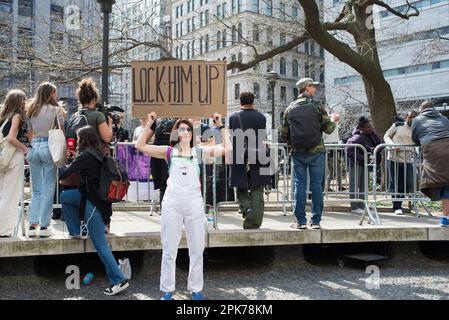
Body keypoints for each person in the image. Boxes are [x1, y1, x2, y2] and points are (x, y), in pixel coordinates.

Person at [136, 112, 231, 301]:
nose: (186, 132)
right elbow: (140, 145)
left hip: (194, 202)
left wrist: (220, 126)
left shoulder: (199, 151)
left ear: (192, 133)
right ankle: (167, 290)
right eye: (182, 129)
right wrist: (150, 124)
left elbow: (227, 148)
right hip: (172, 202)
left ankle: (196, 289)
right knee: (169, 248)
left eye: (188, 129)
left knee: (197, 248)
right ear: (176, 133)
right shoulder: (168, 151)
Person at [59, 126, 130, 295]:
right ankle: (76, 231)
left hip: (93, 204)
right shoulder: (99, 153)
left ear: (83, 140)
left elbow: (64, 174)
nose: (76, 141)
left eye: (77, 138)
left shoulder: (85, 156)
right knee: (66, 198)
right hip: (97, 200)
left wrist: (57, 163)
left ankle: (119, 280)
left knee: (100, 245)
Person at [281, 78, 338, 230]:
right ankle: (316, 221)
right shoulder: (317, 106)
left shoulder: (290, 108)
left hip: (298, 153)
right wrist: (333, 120)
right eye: (313, 86)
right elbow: (329, 129)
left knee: (299, 185)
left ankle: (300, 221)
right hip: (316, 151)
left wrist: (292, 144)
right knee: (317, 186)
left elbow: (284, 132)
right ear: (306, 87)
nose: (315, 89)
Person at [26, 82, 65, 237]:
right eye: (55, 92)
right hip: (49, 147)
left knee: (36, 190)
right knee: (48, 188)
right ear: (51, 93)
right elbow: (62, 129)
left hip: (33, 147)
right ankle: (43, 227)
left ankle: (31, 225)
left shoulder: (30, 109)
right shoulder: (56, 110)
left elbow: (29, 132)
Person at [229, 92, 270, 229]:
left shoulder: (233, 117)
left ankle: (246, 208)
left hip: (239, 154)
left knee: (240, 185)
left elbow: (232, 136)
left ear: (240, 102)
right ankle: (255, 223)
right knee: (257, 188)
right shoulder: (261, 117)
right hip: (257, 155)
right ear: (253, 102)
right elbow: (262, 137)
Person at [411, 101, 449, 227]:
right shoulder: (444, 118)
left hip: (432, 150)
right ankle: (445, 216)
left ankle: (444, 217)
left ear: (421, 110)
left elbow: (414, 138)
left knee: (435, 181)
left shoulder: (417, 120)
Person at [0, 90, 28, 237]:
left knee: (3, 193)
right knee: (10, 195)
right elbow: (11, 138)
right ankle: (4, 229)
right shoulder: (16, 116)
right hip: (12, 157)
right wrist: (25, 149)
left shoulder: (2, 116)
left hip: (2, 158)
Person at [347, 116, 384, 214]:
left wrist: (374, 150)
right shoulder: (357, 137)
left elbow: (381, 144)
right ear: (362, 128)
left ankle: (363, 205)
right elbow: (348, 150)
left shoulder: (372, 135)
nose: (370, 128)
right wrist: (363, 157)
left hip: (365, 164)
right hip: (356, 163)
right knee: (354, 184)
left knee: (364, 184)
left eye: (370, 126)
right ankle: (355, 207)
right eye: (368, 127)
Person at [384, 110, 418, 215]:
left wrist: (408, 149)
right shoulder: (397, 125)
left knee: (407, 183)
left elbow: (417, 144)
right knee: (395, 183)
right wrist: (392, 145)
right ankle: (397, 206)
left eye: (414, 117)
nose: (411, 119)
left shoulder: (416, 130)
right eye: (410, 117)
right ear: (406, 117)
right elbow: (386, 136)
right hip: (393, 158)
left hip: (407, 160)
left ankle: (403, 203)